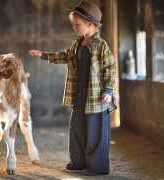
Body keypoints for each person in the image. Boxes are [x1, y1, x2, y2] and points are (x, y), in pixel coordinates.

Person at [29, 1, 117, 176]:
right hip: (79, 95)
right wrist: (44, 55)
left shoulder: (101, 46)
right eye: (73, 24)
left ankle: (96, 167)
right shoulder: (77, 44)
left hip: (96, 98)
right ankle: (77, 162)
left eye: (77, 24)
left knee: (95, 132)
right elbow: (64, 56)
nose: (74, 28)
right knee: (76, 128)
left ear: (90, 25)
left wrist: (108, 90)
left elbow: (110, 68)